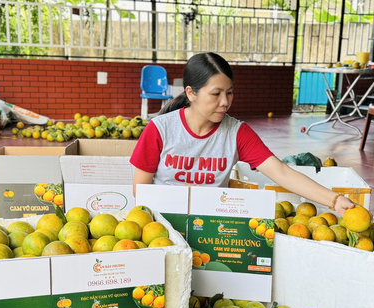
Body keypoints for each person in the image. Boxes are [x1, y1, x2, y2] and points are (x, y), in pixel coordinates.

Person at [130, 52, 355, 216]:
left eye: (229, 93)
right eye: (215, 94)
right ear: (191, 93)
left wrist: (334, 200)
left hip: (212, 221)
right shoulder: (160, 129)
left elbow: (282, 173)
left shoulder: (237, 133)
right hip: (163, 220)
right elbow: (140, 190)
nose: (225, 102)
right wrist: (181, 194)